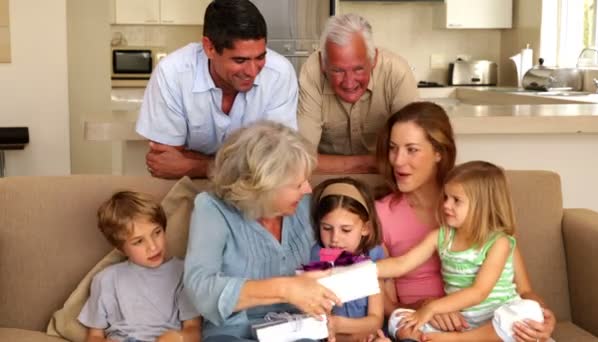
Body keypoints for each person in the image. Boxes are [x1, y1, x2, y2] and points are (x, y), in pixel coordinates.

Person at [374, 101, 556, 342]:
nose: (397, 161)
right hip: (427, 320)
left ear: (439, 152)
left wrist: (543, 317)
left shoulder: (475, 203)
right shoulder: (382, 213)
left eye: (412, 149)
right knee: (402, 322)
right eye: (393, 148)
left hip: (487, 321)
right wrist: (429, 306)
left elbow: (523, 290)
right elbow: (383, 301)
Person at [183, 121, 341, 341]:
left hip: (297, 329)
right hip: (233, 332)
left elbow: (333, 258)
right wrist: (284, 288)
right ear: (264, 188)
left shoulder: (305, 205)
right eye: (297, 184)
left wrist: (325, 316)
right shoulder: (212, 209)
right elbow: (200, 288)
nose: (308, 189)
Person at [377, 161, 545, 341]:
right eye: (446, 198)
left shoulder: (499, 243)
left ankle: (457, 340)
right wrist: (359, 271)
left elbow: (479, 292)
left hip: (496, 322)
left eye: (456, 200)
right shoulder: (441, 236)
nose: (446, 205)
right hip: (463, 322)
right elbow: (402, 263)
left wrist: (433, 308)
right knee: (398, 318)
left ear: (482, 206)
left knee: (528, 310)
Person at [136, 0, 298, 179]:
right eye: (240, 60)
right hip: (187, 189)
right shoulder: (172, 73)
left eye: (260, 57)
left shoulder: (280, 73)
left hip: (256, 194)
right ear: (209, 48)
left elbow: (279, 161)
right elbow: (165, 164)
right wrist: (248, 165)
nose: (252, 71)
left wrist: (197, 166)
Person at [297, 13, 418, 174]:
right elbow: (301, 159)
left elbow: (413, 153)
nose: (349, 82)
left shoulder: (396, 72)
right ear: (323, 64)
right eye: (338, 70)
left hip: (387, 178)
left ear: (373, 60)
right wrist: (373, 162)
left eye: (358, 69)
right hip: (328, 179)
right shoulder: (312, 73)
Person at [78, 191, 201, 342]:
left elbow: (193, 330)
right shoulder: (106, 279)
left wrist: (180, 337)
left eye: (157, 232)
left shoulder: (184, 273)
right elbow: (94, 336)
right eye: (138, 241)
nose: (153, 247)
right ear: (120, 248)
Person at [310, 177, 385, 340]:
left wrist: (339, 325)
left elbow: (376, 320)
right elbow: (319, 317)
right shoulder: (316, 256)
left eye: (346, 230)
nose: (335, 238)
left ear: (365, 228)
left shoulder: (373, 257)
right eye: (327, 228)